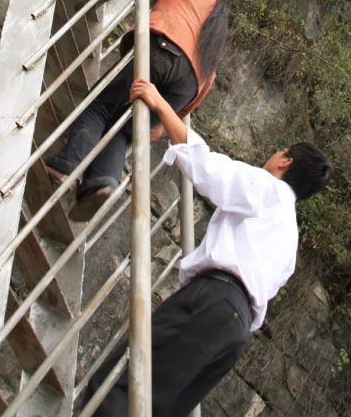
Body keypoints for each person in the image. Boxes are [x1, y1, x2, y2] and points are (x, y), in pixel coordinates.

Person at [86, 79, 331, 417]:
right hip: (236, 332)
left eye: (279, 152)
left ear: (285, 161)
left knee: (132, 378)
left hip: (214, 301)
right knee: (161, 405)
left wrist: (160, 104)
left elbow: (209, 168)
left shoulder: (268, 188)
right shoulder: (290, 238)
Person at [46, 0, 229, 221]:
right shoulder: (216, 30)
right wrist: (164, 121)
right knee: (124, 131)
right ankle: (101, 182)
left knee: (98, 108)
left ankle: (66, 165)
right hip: (185, 87)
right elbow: (206, 84)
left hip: (164, 51)